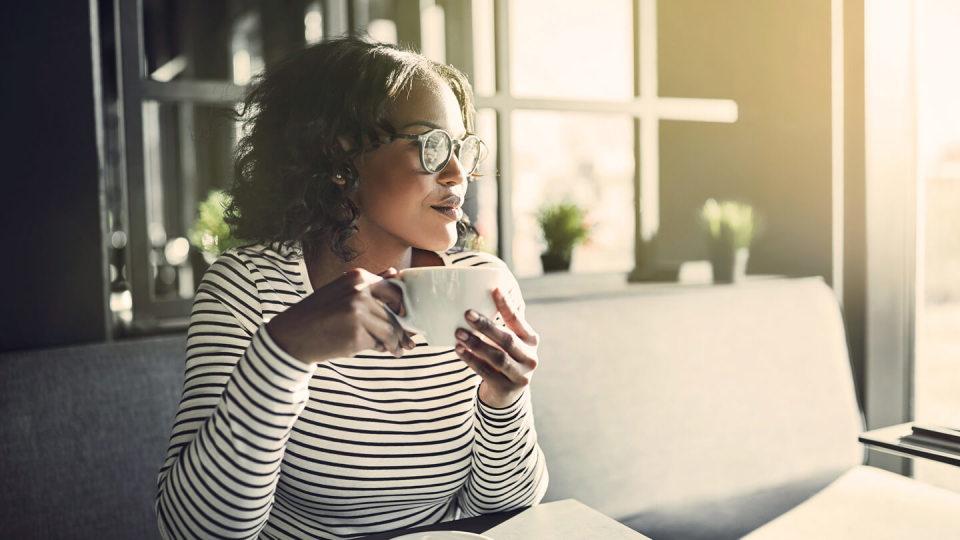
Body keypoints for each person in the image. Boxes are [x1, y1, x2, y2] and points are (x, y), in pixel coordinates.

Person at [156, 37, 549, 539]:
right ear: (342, 155)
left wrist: (503, 400)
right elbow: (192, 532)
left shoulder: (483, 286)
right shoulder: (247, 289)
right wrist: (286, 352)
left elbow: (504, 511)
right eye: (431, 146)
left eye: (460, 148)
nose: (458, 173)